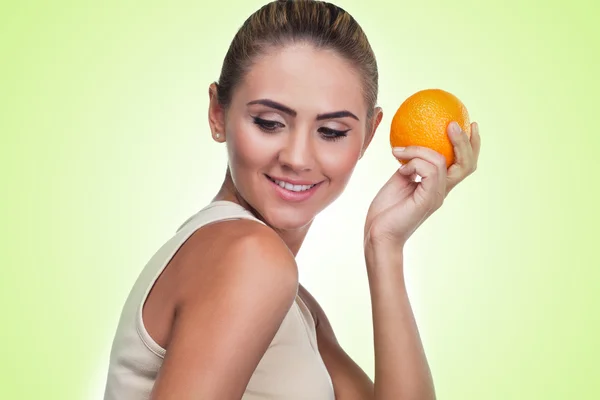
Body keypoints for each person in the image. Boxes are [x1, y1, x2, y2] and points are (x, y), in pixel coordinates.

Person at [102, 0, 481, 399]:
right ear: (217, 113)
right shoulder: (250, 259)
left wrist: (384, 245)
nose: (298, 158)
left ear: (369, 136)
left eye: (332, 130)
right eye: (269, 123)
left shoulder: (296, 304)